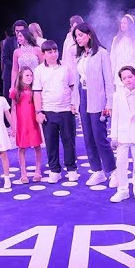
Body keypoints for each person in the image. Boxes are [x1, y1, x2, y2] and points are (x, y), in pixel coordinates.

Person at [73, 22, 116, 187]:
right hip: (83, 97)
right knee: (88, 137)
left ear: (89, 35)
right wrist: (76, 102)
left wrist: (109, 103)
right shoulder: (80, 56)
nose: (78, 39)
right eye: (76, 36)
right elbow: (77, 81)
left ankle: (112, 171)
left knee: (100, 137)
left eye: (81, 35)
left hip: (98, 99)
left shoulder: (102, 54)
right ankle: (97, 171)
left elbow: (108, 81)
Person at [33, 40, 77, 183]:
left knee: (69, 140)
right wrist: (38, 112)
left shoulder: (66, 67)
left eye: (55, 51)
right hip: (48, 111)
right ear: (43, 54)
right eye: (50, 52)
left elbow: (72, 87)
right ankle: (54, 170)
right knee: (51, 142)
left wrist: (73, 104)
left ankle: (71, 169)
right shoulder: (39, 70)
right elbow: (37, 93)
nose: (53, 54)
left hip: (65, 110)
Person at [109, 66, 135, 204]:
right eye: (124, 78)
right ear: (121, 81)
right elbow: (115, 116)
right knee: (121, 163)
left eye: (130, 77)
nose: (128, 80)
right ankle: (122, 190)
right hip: (122, 135)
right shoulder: (117, 96)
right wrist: (114, 136)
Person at [10, 67, 44, 184]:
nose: (29, 78)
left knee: (37, 146)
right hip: (21, 124)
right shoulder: (15, 92)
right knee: (21, 147)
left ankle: (38, 170)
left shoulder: (35, 90)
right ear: (20, 77)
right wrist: (13, 126)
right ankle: (23, 172)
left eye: (31, 75)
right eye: (26, 75)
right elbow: (13, 110)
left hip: (33, 122)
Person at [111, 14, 135, 91]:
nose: (122, 25)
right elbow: (112, 59)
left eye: (125, 23)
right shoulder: (116, 40)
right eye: (121, 23)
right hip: (120, 78)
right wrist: (110, 79)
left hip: (134, 78)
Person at [0, 20, 27, 95]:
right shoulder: (8, 41)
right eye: (16, 31)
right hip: (9, 73)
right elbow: (4, 58)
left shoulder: (30, 42)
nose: (18, 33)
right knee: (9, 97)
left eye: (21, 31)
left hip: (25, 75)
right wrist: (16, 66)